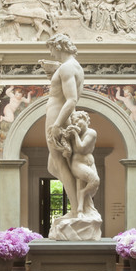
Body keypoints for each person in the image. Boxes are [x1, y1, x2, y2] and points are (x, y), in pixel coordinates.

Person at [43, 34, 85, 221]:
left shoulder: (67, 67)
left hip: (57, 116)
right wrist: (53, 73)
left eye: (51, 49)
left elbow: (71, 99)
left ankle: (76, 211)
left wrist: (57, 124)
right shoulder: (72, 66)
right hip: (60, 115)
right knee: (53, 166)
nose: (51, 53)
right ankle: (80, 204)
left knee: (60, 164)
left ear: (58, 47)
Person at [64, 111, 99, 218]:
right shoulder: (74, 134)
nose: (76, 124)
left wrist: (75, 134)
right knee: (95, 180)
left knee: (94, 188)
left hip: (90, 163)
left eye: (77, 121)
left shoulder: (91, 133)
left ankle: (82, 208)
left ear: (84, 119)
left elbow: (83, 147)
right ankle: (81, 199)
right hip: (77, 164)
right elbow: (80, 149)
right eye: (74, 123)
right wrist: (73, 134)